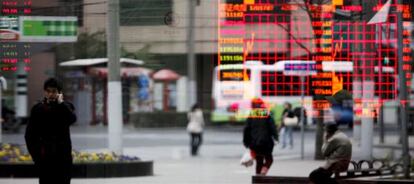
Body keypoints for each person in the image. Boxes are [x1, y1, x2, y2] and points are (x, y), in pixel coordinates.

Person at [25, 78, 77, 184]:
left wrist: (61, 103)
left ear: (59, 93)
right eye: (48, 91)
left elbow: (72, 119)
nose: (50, 94)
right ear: (45, 92)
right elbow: (29, 135)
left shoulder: (66, 107)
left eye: (53, 91)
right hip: (45, 159)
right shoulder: (37, 109)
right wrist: (36, 157)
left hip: (63, 159)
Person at [309, 90, 353, 184]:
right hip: (338, 164)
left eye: (334, 103)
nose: (331, 105)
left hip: (335, 165)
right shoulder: (340, 135)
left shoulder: (334, 137)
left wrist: (326, 139)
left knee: (315, 176)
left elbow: (325, 152)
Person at [243, 98, 278, 175]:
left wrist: (246, 142)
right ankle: (264, 170)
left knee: (259, 161)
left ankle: (258, 179)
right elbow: (273, 127)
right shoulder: (266, 114)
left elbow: (246, 129)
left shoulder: (252, 115)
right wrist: (276, 137)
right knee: (269, 159)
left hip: (254, 143)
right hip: (266, 142)